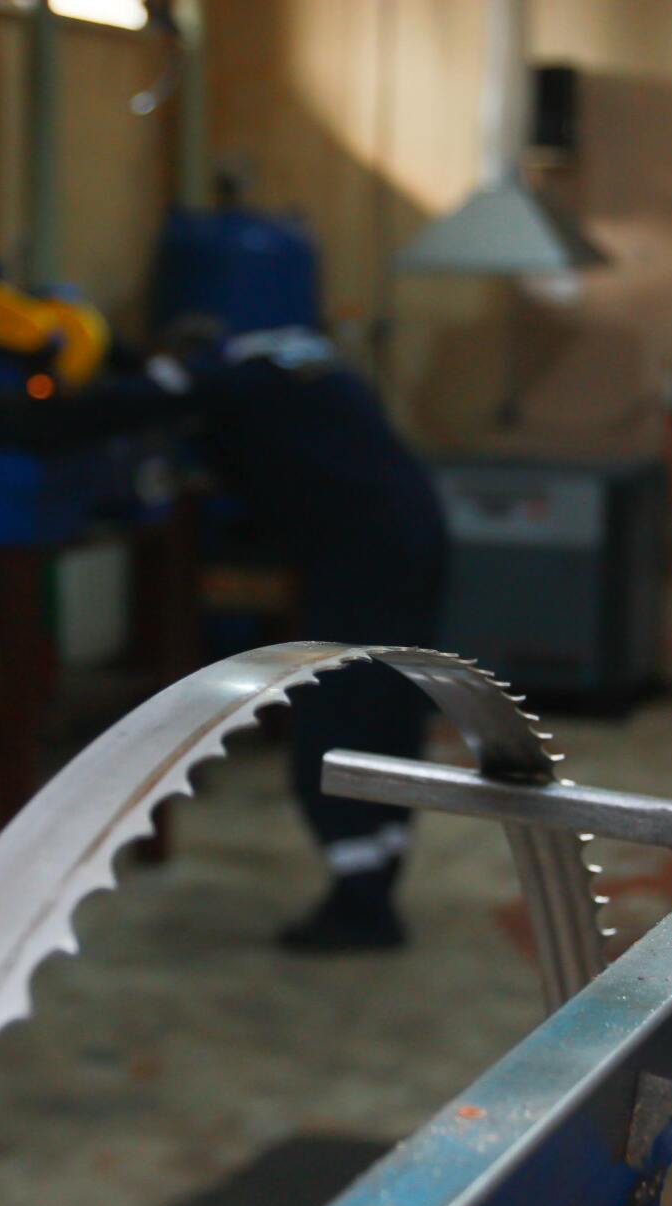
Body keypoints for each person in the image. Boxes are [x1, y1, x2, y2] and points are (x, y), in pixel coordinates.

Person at [99, 322, 450, 951]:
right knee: (386, 714)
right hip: (413, 535)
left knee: (336, 723)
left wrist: (28, 410)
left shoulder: (240, 382)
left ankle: (362, 906)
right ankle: (375, 880)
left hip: (361, 557)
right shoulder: (294, 363)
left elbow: (150, 400)